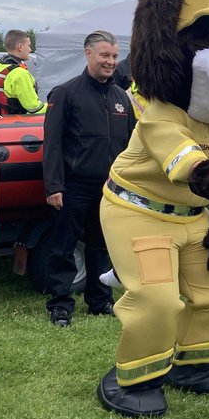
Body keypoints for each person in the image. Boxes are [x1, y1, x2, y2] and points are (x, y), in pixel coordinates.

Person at [42, 30, 136, 327]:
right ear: (88, 55)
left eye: (114, 56)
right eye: (104, 55)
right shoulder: (66, 93)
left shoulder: (122, 98)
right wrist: (53, 185)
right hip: (73, 186)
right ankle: (60, 304)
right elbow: (52, 144)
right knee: (64, 246)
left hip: (110, 188)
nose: (110, 62)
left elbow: (133, 145)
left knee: (102, 245)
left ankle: (99, 300)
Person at [0, 29, 47, 116]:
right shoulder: (20, 74)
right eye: (29, 46)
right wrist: (55, 107)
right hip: (13, 124)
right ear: (20, 47)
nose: (30, 49)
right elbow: (34, 108)